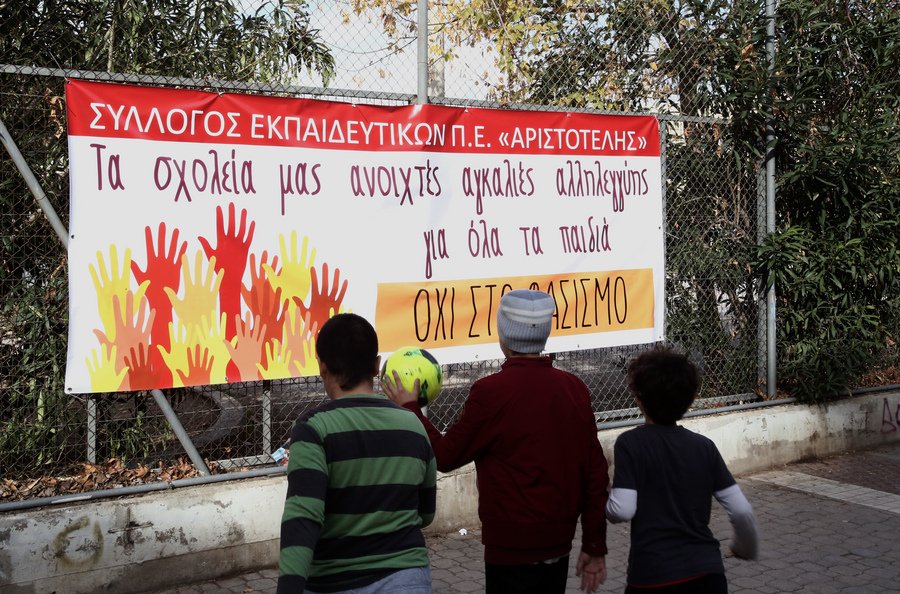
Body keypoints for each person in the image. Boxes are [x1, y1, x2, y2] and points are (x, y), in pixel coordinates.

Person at [384, 288, 610, 594]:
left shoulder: (491, 392)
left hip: (509, 548)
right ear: (545, 333)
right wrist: (594, 544)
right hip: (559, 542)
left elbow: (447, 456)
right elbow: (595, 474)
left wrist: (411, 408)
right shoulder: (573, 388)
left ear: (503, 333)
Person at [277, 313, 437, 594]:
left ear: (322, 366)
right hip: (407, 578)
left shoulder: (313, 430)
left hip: (332, 582)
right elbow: (425, 513)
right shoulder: (413, 426)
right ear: (377, 367)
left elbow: (303, 518)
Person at [606, 346, 759, 594]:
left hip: (653, 575)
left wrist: (604, 496)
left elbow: (621, 510)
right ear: (688, 398)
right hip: (707, 574)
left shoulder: (630, 444)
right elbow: (741, 510)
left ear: (640, 399)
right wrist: (746, 549)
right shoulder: (704, 447)